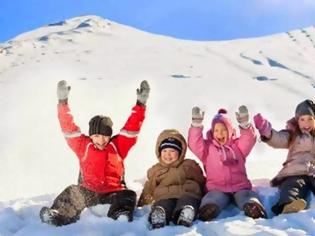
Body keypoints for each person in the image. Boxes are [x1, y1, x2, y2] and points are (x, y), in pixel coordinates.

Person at [39, 80, 150, 226]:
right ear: (91, 136)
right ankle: (59, 215)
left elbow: (132, 127)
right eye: (97, 136)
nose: (101, 140)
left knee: (129, 195)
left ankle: (120, 216)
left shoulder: (118, 145)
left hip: (113, 191)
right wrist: (62, 101)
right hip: (89, 192)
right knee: (72, 191)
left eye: (105, 136)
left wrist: (140, 104)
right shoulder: (83, 145)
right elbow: (68, 127)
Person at [188, 106, 266, 221]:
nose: (220, 133)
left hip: (240, 186)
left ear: (229, 130)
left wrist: (245, 124)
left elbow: (248, 139)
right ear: (212, 132)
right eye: (216, 130)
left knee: (246, 196)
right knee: (212, 198)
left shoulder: (238, 146)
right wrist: (196, 125)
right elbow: (195, 143)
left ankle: (253, 207)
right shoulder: (207, 148)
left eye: (223, 130)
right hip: (217, 188)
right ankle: (208, 209)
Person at [254, 99, 315, 215]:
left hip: (313, 170)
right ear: (297, 121)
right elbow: (279, 139)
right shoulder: (293, 134)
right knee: (291, 186)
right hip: (295, 170)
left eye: (310, 119)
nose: (306, 123)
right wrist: (267, 132)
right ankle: (288, 204)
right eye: (302, 119)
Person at [137, 129, 205, 229]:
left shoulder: (189, 165)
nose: (168, 155)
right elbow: (149, 186)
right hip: (166, 196)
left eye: (172, 151)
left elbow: (201, 180)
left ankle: (185, 214)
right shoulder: (156, 170)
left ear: (180, 152)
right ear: (159, 152)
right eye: (164, 151)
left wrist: (206, 191)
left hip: (187, 193)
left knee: (188, 202)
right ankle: (160, 215)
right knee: (163, 204)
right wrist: (143, 201)